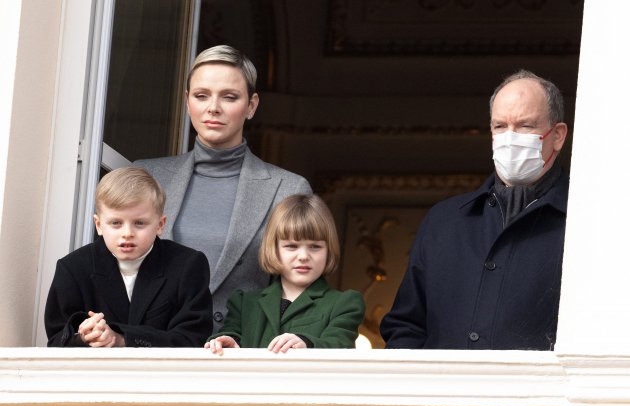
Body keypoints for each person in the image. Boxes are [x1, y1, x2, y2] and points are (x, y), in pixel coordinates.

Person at [380, 69, 570, 350]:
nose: (510, 137)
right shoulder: (444, 221)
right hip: (442, 392)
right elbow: (406, 326)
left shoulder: (587, 224)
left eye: (525, 126)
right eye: (500, 126)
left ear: (557, 135)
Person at [135, 45, 311, 333]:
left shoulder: (289, 189)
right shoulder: (145, 175)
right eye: (201, 96)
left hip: (237, 356)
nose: (213, 108)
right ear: (187, 102)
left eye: (229, 97)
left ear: (252, 105)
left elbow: (300, 288)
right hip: (149, 351)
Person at [45, 167, 213, 347]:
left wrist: (122, 339)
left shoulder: (187, 265)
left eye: (139, 223)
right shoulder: (73, 268)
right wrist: (84, 337)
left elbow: (193, 338)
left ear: (160, 225)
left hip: (164, 374)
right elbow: (56, 340)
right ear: (99, 225)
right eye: (116, 223)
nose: (127, 233)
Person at [205, 194, 365, 354]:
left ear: (329, 250)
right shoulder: (244, 302)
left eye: (315, 247)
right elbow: (232, 334)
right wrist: (228, 343)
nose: (303, 256)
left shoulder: (346, 303)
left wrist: (307, 344)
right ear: (274, 249)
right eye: (291, 246)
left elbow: (339, 345)